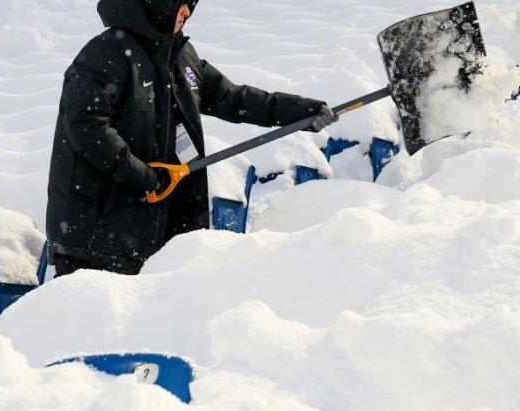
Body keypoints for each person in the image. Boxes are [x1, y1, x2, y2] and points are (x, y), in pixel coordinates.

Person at [46, 0, 336, 277]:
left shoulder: (181, 56)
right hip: (96, 244)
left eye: (192, 4)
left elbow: (235, 99)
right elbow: (86, 126)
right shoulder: (106, 54)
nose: (187, 12)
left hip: (158, 235)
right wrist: (142, 178)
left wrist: (301, 112)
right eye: (181, 3)